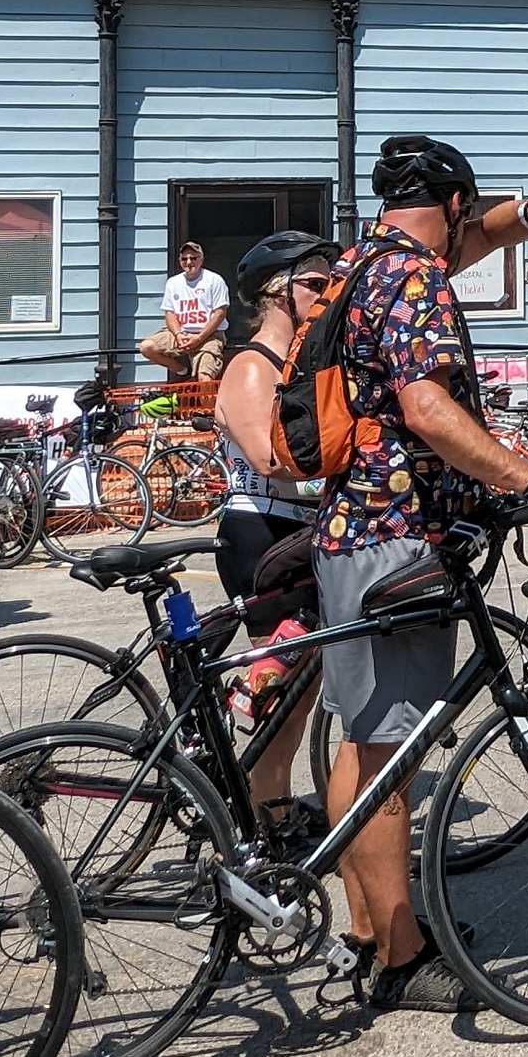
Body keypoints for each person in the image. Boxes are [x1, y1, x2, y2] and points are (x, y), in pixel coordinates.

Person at [314, 136, 528, 1012]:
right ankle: (403, 959)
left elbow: (470, 239)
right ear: (450, 204)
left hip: (349, 532)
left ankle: (370, 926)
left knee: (361, 745)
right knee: (393, 758)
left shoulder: (362, 261)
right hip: (396, 539)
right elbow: (428, 406)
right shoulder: (414, 279)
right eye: (468, 215)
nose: (469, 235)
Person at [212, 229, 336, 810]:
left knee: (296, 690)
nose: (326, 291)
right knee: (279, 692)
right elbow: (270, 460)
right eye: (315, 283)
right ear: (278, 291)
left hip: (293, 530)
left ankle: (273, 803)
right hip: (260, 532)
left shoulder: (296, 364)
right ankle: (265, 820)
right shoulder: (252, 365)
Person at [139, 241, 230, 382]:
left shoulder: (214, 280)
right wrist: (178, 335)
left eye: (193, 258)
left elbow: (220, 313)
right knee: (147, 347)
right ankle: (183, 372)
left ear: (202, 259)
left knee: (205, 378)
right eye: (184, 259)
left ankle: (210, 405)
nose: (189, 262)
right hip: (182, 333)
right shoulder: (173, 283)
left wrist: (199, 338)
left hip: (209, 335)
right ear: (180, 261)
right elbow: (169, 313)